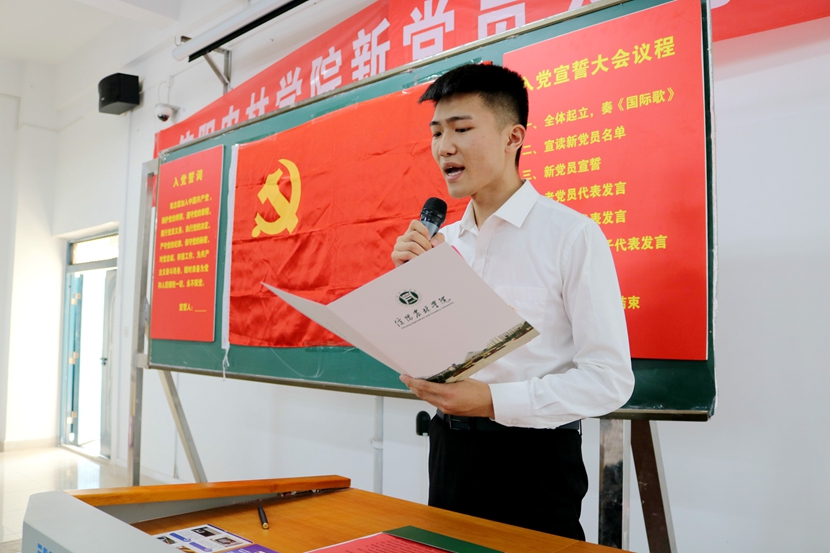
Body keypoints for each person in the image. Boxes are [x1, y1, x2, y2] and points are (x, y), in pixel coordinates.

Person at [391, 63, 634, 540]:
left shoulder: (571, 236)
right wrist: (412, 291)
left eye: (461, 129)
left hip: (533, 461)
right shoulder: (445, 243)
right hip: (448, 450)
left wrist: (492, 401)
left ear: (513, 137)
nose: (444, 147)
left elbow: (609, 381)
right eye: (437, 133)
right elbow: (443, 357)